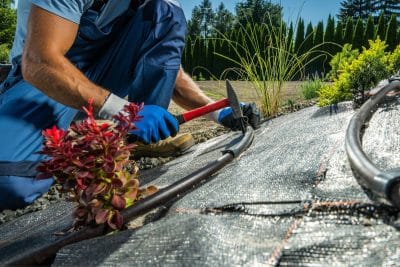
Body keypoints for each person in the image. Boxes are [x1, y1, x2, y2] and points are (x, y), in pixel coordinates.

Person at [0, 0, 260, 210]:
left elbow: (166, 70)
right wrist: (124, 112)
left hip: (101, 78)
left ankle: (137, 141)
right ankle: (83, 140)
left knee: (167, 12)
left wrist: (218, 111)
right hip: (41, 81)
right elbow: (39, 62)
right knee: (10, 182)